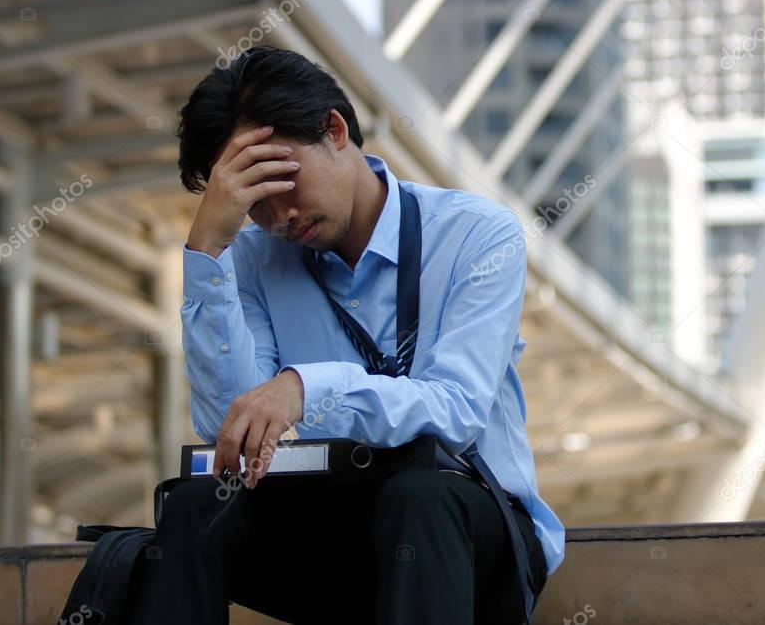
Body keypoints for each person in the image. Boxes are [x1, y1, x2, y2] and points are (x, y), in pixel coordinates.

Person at [131, 46, 565, 624]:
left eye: (283, 181)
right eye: (253, 204)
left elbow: (456, 411)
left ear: (334, 131)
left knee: (420, 497)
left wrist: (307, 389)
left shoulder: (476, 236)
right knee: (194, 504)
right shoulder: (255, 259)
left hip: (467, 536)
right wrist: (208, 251)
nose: (279, 216)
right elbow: (227, 426)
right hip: (328, 537)